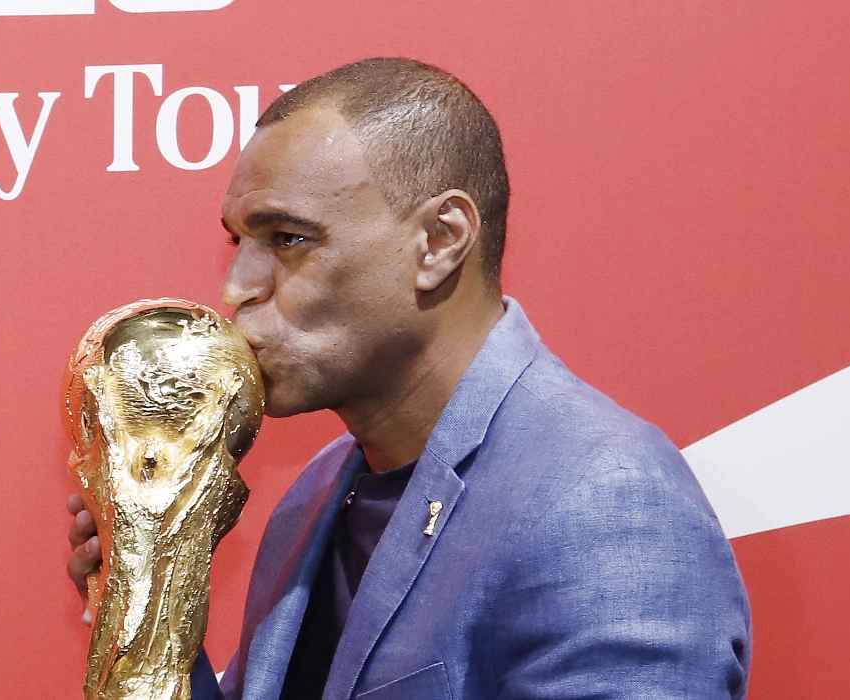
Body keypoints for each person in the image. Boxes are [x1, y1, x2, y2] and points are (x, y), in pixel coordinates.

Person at [67, 58, 752, 699]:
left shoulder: (604, 500)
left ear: (440, 241)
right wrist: (154, 610)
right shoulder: (313, 496)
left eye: (289, 239)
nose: (236, 287)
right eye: (236, 239)